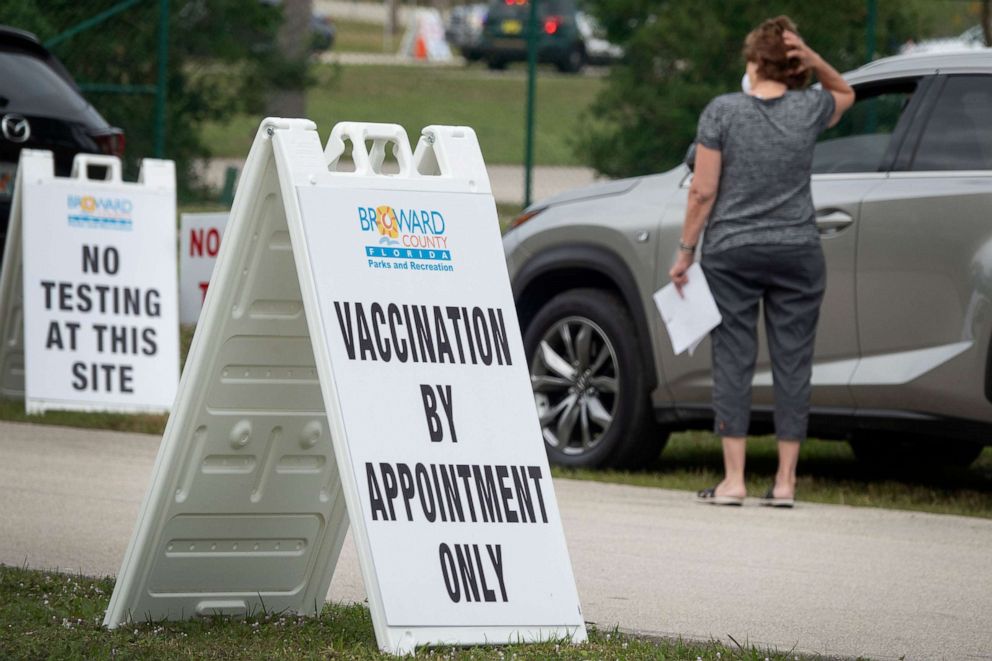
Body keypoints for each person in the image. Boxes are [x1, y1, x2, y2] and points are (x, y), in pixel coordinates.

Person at [668, 16, 854, 507]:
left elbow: (703, 191)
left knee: (733, 358)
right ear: (793, 64)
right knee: (794, 362)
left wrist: (685, 252)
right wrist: (815, 60)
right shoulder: (810, 107)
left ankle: (734, 481)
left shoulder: (723, 112)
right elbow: (846, 93)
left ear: (755, 62)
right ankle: (786, 482)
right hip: (797, 250)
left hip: (733, 252)